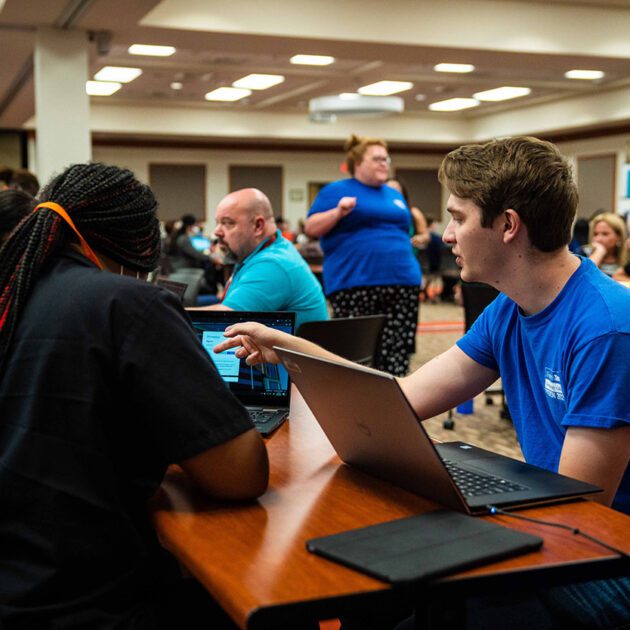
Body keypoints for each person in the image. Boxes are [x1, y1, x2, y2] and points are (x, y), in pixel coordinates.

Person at [215, 136, 630, 628]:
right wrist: (287, 349)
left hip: (604, 558)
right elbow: (402, 398)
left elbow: (582, 507)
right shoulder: (509, 311)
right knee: (374, 594)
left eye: (457, 217)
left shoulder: (606, 326)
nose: (446, 235)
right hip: (555, 525)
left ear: (508, 226)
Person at [0, 163, 269, 629]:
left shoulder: (14, 294)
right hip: (85, 603)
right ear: (140, 247)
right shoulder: (126, 303)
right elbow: (242, 475)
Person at [306, 135, 421, 376]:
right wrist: (338, 212)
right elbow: (312, 228)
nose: (384, 164)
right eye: (376, 159)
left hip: (403, 281)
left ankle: (394, 406)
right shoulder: (336, 191)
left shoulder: (394, 195)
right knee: (355, 354)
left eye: (386, 159)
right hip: (355, 282)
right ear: (357, 163)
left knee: (396, 351)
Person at [206, 187, 328, 330]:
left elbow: (218, 321)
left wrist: (173, 315)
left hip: (286, 353)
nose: (217, 232)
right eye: (217, 223)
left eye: (227, 223)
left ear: (258, 226)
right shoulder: (265, 251)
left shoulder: (273, 264)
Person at [587, 211, 628, 277]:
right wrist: (599, 252)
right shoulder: (583, 253)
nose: (598, 239)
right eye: (595, 234)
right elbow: (584, 276)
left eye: (605, 234)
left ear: (619, 237)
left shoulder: (627, 258)